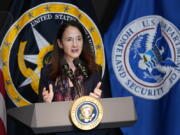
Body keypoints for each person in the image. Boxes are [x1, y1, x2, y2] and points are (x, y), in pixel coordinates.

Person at [38, 20, 123, 135]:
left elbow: (108, 116)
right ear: (60, 43)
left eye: (79, 39)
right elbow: (39, 117)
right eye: (69, 39)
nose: (75, 44)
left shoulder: (95, 71)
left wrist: (99, 103)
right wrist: (46, 105)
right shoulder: (47, 73)